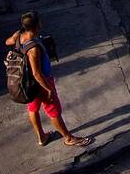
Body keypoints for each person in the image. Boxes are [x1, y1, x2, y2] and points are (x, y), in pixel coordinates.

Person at [6, 12, 91, 148]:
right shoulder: (33, 49)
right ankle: (68, 138)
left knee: (33, 108)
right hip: (40, 83)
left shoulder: (19, 36)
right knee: (53, 110)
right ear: (37, 25)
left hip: (26, 82)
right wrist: (48, 89)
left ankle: (42, 137)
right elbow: (36, 73)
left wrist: (18, 35)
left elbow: (7, 41)